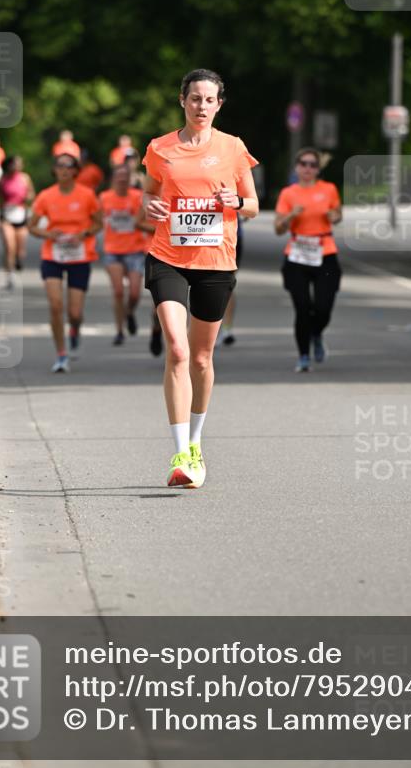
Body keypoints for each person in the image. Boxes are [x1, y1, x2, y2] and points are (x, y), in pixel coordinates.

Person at [143, 68, 259, 489]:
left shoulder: (233, 148)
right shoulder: (160, 148)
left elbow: (254, 206)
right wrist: (150, 207)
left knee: (201, 358)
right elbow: (147, 196)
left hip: (215, 261)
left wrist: (237, 200)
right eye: (195, 98)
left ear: (219, 104)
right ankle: (179, 455)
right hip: (167, 256)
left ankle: (195, 443)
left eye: (210, 100)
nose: (202, 106)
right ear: (182, 100)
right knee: (176, 348)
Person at [28, 153, 102, 373]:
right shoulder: (45, 196)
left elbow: (99, 224)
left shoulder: (87, 195)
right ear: (55, 170)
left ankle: (75, 330)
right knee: (55, 305)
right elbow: (32, 226)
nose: (64, 170)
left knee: (75, 313)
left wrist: (85, 233)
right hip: (53, 256)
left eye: (68, 167)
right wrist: (47, 233)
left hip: (80, 256)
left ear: (75, 171)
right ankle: (61, 354)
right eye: (60, 166)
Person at [274, 148, 342, 373]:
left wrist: (334, 215)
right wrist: (292, 214)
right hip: (297, 255)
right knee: (302, 308)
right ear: (297, 167)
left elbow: (337, 214)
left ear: (318, 169)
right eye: (304, 163)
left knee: (323, 307)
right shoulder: (288, 193)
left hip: (325, 253)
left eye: (313, 165)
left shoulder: (328, 189)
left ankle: (316, 333)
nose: (308, 168)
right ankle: (304, 355)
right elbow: (278, 228)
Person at [100, 164, 148, 345]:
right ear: (113, 179)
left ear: (129, 179)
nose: (121, 180)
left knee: (135, 293)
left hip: (135, 250)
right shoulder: (104, 198)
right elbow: (95, 218)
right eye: (118, 176)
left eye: (124, 176)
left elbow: (144, 219)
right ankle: (119, 330)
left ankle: (129, 313)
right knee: (119, 291)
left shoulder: (138, 197)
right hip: (113, 251)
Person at [0, 156, 35, 289]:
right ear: (9, 165)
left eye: (20, 164)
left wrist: (26, 198)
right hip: (6, 216)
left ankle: (19, 260)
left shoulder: (25, 178)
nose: (18, 166)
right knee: (9, 247)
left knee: (20, 250)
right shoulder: (2, 180)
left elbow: (31, 194)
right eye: (16, 164)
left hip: (21, 214)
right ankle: (10, 277)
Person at [215, 214, 243, 347]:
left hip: (230, 235)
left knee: (227, 283)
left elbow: (249, 208)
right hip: (196, 236)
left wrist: (240, 205)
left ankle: (226, 329)